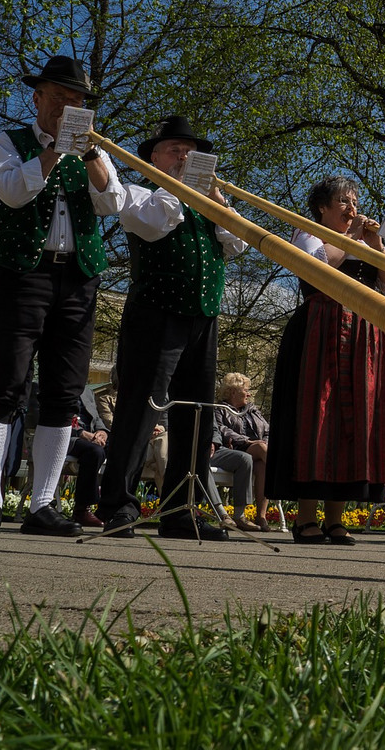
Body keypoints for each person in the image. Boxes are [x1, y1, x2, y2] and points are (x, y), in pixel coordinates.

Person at [0, 56, 125, 538]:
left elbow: (114, 203)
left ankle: (42, 506)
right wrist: (56, 149)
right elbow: (13, 192)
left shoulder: (95, 153)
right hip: (21, 275)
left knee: (64, 392)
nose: (68, 107)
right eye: (59, 97)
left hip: (78, 280)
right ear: (37, 98)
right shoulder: (7, 143)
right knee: (5, 384)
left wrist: (92, 153)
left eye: (76, 100)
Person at [99, 116, 247, 541]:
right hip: (155, 313)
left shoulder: (207, 202)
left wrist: (215, 195)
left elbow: (235, 243)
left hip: (203, 316)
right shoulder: (140, 194)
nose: (185, 156)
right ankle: (118, 505)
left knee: (195, 415)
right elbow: (154, 224)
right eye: (174, 150)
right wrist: (184, 187)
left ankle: (181, 508)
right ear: (153, 158)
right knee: (140, 408)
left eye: (190, 150)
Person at [265, 175, 385, 545]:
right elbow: (319, 272)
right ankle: (306, 517)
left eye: (353, 200)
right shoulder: (307, 234)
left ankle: (336, 519)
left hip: (363, 332)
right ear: (322, 208)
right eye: (342, 201)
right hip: (320, 328)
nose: (351, 207)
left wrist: (374, 243)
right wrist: (352, 238)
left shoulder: (364, 239)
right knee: (315, 419)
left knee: (353, 422)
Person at [215, 372, 273, 529]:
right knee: (261, 448)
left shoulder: (252, 410)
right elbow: (222, 430)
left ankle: (261, 517)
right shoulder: (220, 409)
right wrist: (247, 441)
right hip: (237, 448)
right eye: (246, 389)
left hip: (258, 450)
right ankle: (281, 476)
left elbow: (267, 430)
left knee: (262, 466)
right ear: (233, 391)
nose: (249, 393)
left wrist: (263, 442)